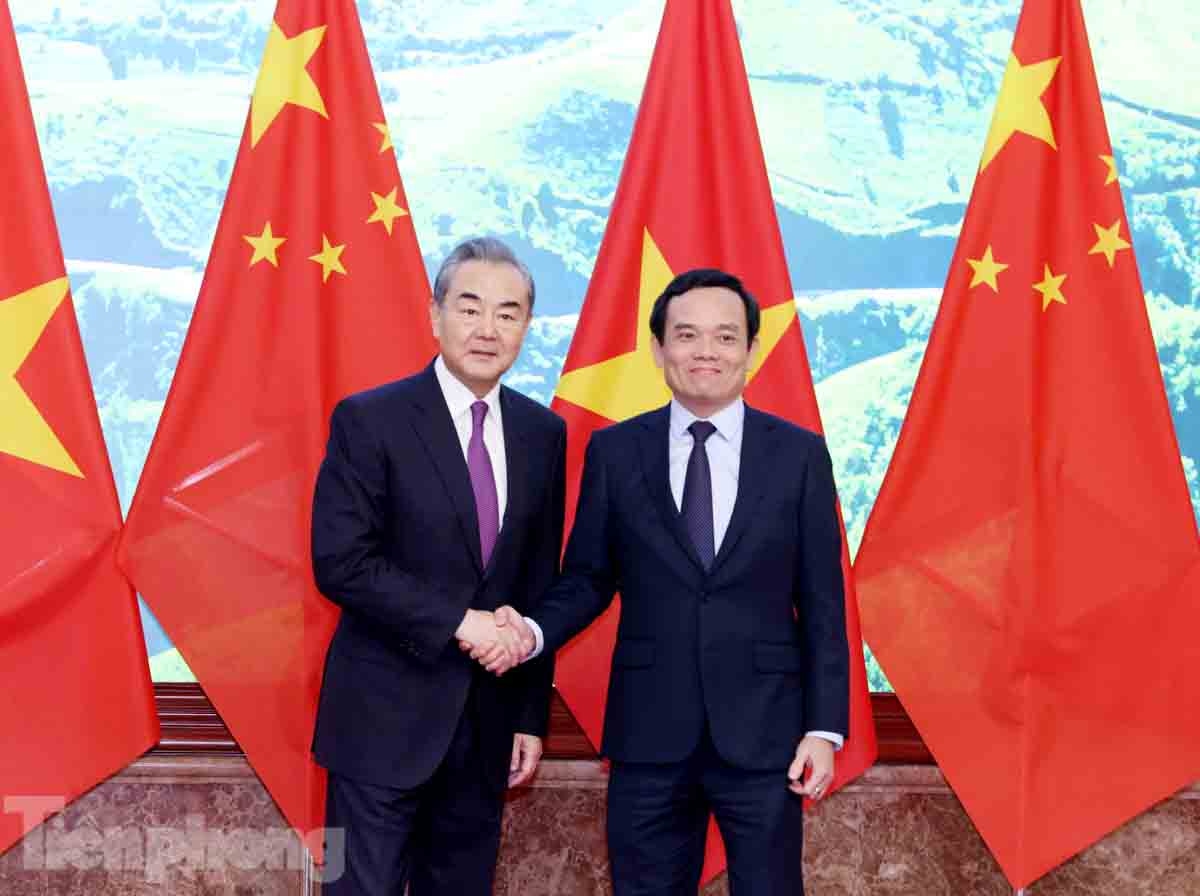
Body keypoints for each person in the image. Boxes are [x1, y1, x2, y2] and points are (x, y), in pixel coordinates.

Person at [473, 268, 849, 895]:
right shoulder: (617, 452)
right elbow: (589, 578)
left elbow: (822, 604)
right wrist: (533, 631)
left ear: (752, 350)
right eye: (688, 335)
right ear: (659, 348)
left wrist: (824, 728)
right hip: (649, 735)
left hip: (766, 737)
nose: (707, 351)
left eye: (726, 337)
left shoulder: (799, 454)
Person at [309, 236, 566, 895]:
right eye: (470, 307)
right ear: (435, 315)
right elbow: (341, 562)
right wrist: (460, 622)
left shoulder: (544, 435)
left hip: (486, 730)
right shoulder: (371, 419)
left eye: (508, 313)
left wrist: (529, 716)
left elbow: (537, 583)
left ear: (526, 327)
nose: (487, 329)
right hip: (380, 727)